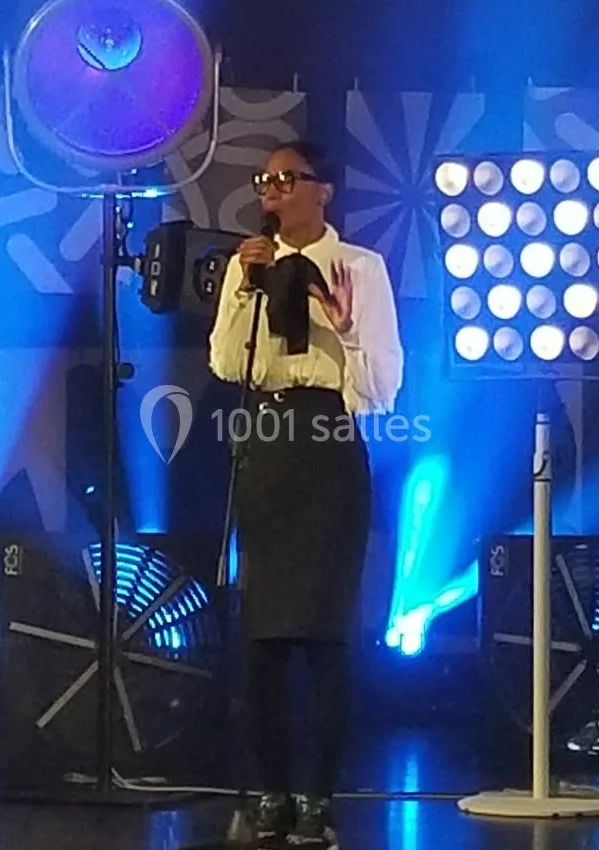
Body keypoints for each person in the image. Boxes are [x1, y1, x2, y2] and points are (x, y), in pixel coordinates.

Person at [208, 140, 404, 848]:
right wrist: (243, 288)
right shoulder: (247, 264)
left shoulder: (360, 267)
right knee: (262, 641)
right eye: (266, 179)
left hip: (328, 443)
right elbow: (227, 362)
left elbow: (383, 388)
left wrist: (345, 331)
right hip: (267, 442)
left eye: (288, 179)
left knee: (325, 638)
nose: (273, 189)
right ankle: (271, 793)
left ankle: (317, 799)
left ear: (324, 191)